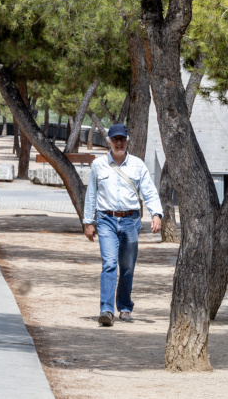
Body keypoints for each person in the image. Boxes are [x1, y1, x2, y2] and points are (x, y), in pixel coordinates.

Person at [83, 124, 163, 326]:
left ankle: (125, 307)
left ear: (127, 141)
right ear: (109, 141)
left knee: (127, 266)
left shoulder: (137, 165)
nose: (119, 143)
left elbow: (149, 191)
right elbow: (91, 194)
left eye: (122, 139)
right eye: (115, 139)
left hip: (130, 220)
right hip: (106, 220)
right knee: (109, 264)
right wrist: (88, 222)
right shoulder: (98, 165)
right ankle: (106, 310)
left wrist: (157, 214)